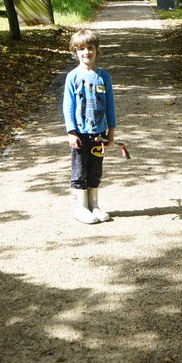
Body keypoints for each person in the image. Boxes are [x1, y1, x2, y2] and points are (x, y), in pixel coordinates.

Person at [62, 28, 117, 224]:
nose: (86, 52)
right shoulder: (72, 77)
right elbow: (68, 107)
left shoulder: (104, 77)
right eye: (81, 49)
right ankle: (80, 207)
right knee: (79, 171)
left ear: (97, 50)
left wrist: (111, 130)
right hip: (80, 134)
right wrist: (71, 132)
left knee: (95, 170)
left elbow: (110, 105)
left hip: (99, 134)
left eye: (90, 48)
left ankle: (94, 205)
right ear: (74, 52)